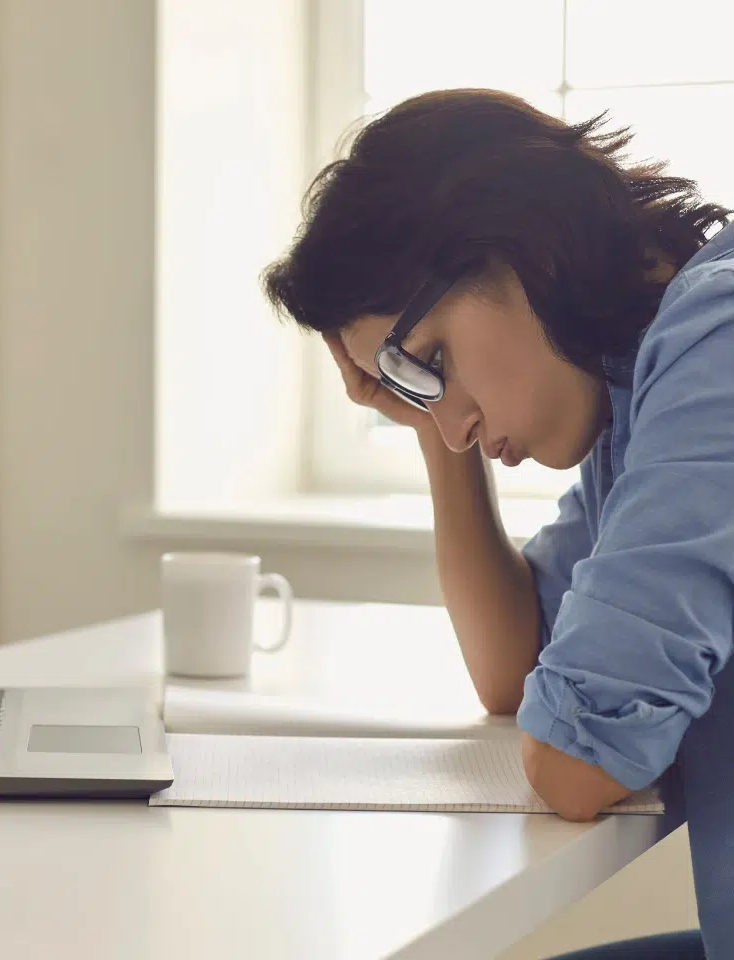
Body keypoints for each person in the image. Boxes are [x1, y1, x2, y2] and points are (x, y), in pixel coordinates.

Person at [261, 88, 734, 960]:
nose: (454, 419)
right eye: (410, 385)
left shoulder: (719, 341)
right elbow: (512, 675)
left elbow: (581, 764)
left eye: (430, 359)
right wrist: (436, 430)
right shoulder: (632, 397)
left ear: (519, 246)